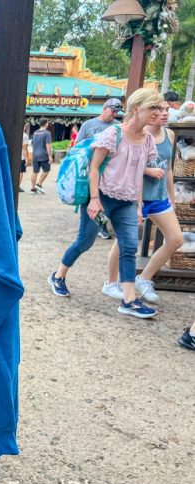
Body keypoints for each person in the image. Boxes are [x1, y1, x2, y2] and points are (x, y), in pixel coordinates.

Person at [48, 88, 163, 319]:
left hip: (127, 201)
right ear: (136, 109)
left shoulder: (148, 140)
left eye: (159, 108)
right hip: (103, 196)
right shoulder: (113, 133)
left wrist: (139, 204)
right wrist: (94, 199)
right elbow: (94, 167)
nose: (158, 112)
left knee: (129, 247)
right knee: (85, 241)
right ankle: (58, 275)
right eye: (153, 107)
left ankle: (129, 300)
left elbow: (139, 172)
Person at [103, 100, 183, 303]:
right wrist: (148, 170)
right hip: (134, 196)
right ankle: (111, 282)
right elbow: (126, 163)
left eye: (166, 110)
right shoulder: (138, 133)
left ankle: (144, 278)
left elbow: (168, 168)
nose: (164, 113)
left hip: (158, 196)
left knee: (175, 239)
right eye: (158, 109)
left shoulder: (170, 135)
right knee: (123, 243)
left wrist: (171, 196)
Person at [74, 98, 125, 239]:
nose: (114, 114)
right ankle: (86, 230)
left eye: (116, 112)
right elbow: (78, 145)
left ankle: (102, 227)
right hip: (92, 168)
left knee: (105, 199)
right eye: (112, 111)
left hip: (110, 171)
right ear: (104, 108)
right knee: (89, 198)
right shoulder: (88, 125)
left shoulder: (118, 126)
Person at [30, 119, 52, 194]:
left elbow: (32, 143)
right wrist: (50, 156)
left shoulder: (35, 133)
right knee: (47, 170)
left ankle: (33, 187)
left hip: (35, 155)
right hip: (43, 155)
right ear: (46, 124)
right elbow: (48, 145)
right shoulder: (47, 133)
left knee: (35, 171)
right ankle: (39, 184)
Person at [19, 124, 30, 192]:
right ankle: (17, 186)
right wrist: (26, 158)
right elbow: (24, 148)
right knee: (20, 172)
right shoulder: (25, 136)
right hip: (21, 157)